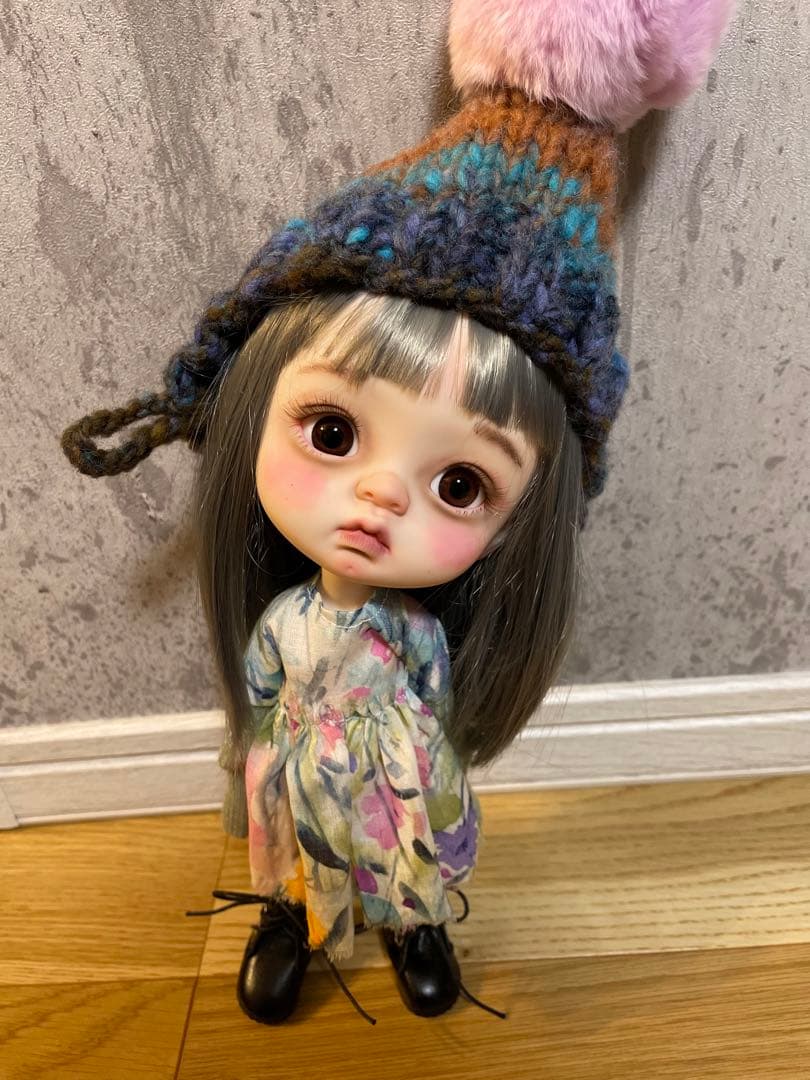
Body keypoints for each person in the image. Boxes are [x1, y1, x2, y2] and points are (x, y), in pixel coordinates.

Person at [62, 0, 736, 1026]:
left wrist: (439, 782)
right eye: (333, 432)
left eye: (461, 485)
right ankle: (293, 916)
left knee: (405, 850)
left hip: (396, 780)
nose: (380, 498)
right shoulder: (285, 626)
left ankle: (417, 921)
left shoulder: (416, 634)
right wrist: (253, 769)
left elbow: (438, 714)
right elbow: (259, 701)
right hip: (304, 773)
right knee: (301, 852)